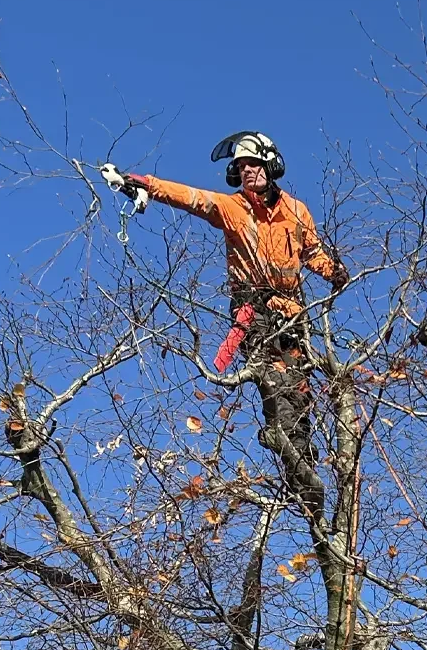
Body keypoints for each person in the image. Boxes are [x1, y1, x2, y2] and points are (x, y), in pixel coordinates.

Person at [100, 133, 347, 457]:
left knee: (300, 389)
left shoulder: (297, 211)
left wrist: (336, 273)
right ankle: (284, 442)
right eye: (240, 166)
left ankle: (300, 458)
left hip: (292, 314)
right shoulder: (233, 208)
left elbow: (312, 253)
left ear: (270, 165)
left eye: (253, 164)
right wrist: (146, 184)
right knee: (275, 378)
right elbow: (191, 197)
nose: (246, 171)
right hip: (253, 310)